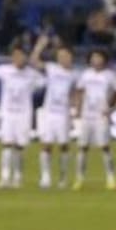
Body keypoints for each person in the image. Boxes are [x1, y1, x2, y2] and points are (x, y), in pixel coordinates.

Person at [0, 44, 45, 188]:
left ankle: (17, 176)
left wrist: (36, 59)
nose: (18, 59)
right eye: (15, 56)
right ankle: (5, 177)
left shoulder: (32, 74)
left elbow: (43, 81)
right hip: (7, 113)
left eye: (21, 56)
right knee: (6, 144)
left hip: (23, 114)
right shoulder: (4, 70)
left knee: (19, 146)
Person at [32, 37, 80, 189]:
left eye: (66, 56)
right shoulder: (52, 68)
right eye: (60, 56)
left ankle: (63, 177)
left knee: (64, 145)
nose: (63, 59)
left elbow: (75, 94)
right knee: (46, 144)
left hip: (64, 113)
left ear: (71, 57)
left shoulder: (75, 74)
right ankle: (45, 177)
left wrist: (75, 110)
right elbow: (34, 61)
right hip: (49, 112)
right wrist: (40, 46)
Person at [73, 49, 116, 190]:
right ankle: (79, 178)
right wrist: (78, 109)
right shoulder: (86, 74)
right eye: (93, 57)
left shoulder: (110, 75)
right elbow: (80, 91)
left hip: (101, 115)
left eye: (98, 57)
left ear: (104, 59)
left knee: (104, 146)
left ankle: (111, 177)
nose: (96, 60)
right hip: (87, 115)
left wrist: (112, 107)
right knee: (82, 147)